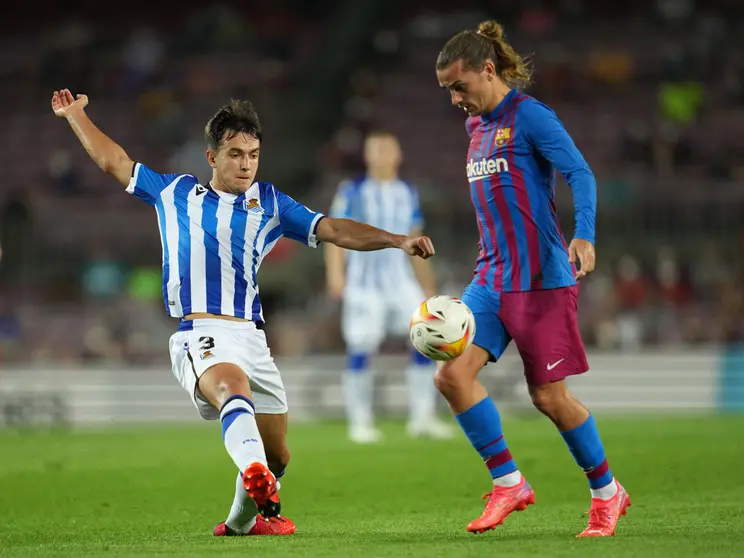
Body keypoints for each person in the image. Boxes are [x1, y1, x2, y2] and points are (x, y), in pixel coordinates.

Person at [51, 90, 435, 536]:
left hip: (253, 337)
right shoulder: (176, 193)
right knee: (233, 390)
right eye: (235, 154)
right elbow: (114, 161)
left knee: (279, 456)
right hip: (201, 331)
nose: (246, 164)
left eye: (253, 154)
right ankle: (253, 468)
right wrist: (76, 116)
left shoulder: (270, 202)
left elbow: (332, 228)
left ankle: (240, 523)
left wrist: (398, 240)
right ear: (212, 157)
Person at [433, 21, 630, 537]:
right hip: (491, 279)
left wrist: (584, 235)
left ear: (488, 70)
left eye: (460, 86)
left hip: (541, 281)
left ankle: (608, 492)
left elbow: (580, 173)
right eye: (448, 90)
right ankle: (509, 483)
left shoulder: (531, 117)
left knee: (548, 398)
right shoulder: (475, 127)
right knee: (451, 375)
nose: (456, 99)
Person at [325, 130, 454, 443]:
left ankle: (422, 417)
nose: (382, 154)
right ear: (367, 156)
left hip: (400, 281)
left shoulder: (407, 192)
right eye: (376, 149)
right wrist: (336, 274)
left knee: (427, 339)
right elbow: (334, 232)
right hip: (363, 284)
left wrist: (427, 285)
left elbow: (416, 239)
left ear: (398, 155)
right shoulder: (352, 191)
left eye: (387, 149)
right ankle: (360, 423)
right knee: (361, 347)